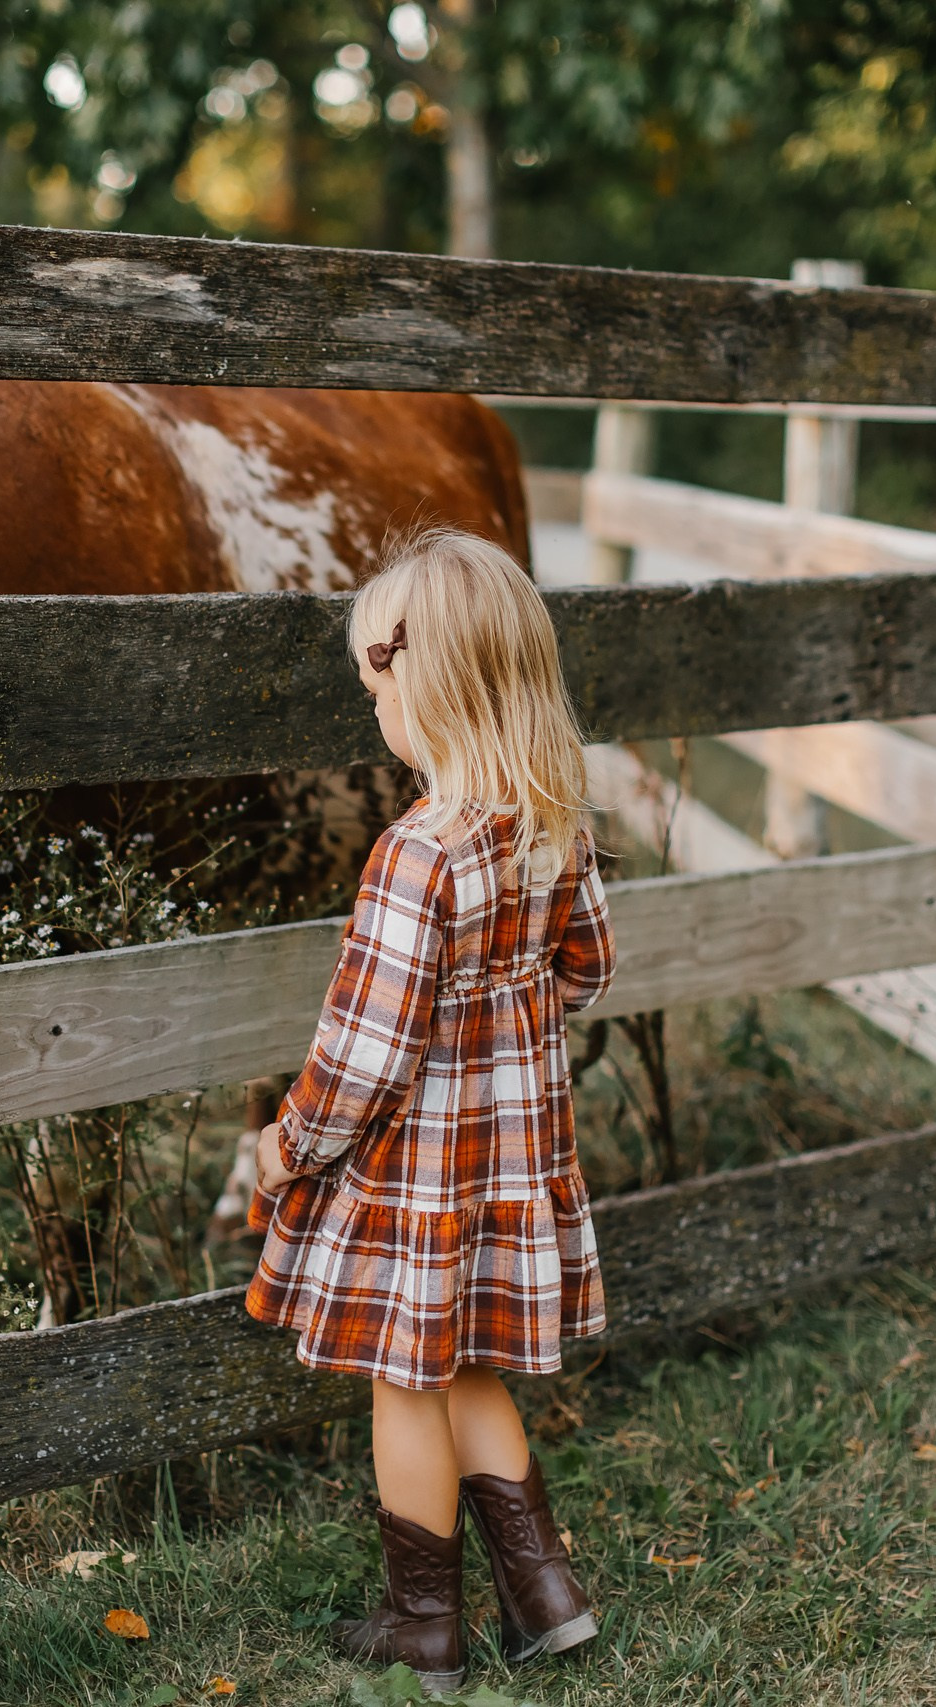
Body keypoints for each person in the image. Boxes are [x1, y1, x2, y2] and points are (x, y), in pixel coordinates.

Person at [246, 527, 615, 1692]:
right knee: (470, 1370)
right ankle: (545, 1594)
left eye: (377, 684)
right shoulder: (554, 826)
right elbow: (587, 969)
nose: (374, 711)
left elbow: (363, 1056)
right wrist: (504, 1034)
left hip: (418, 1177)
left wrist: (286, 1144)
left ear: (428, 686)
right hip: (510, 1159)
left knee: (405, 1381)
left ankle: (423, 1625)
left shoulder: (418, 856)